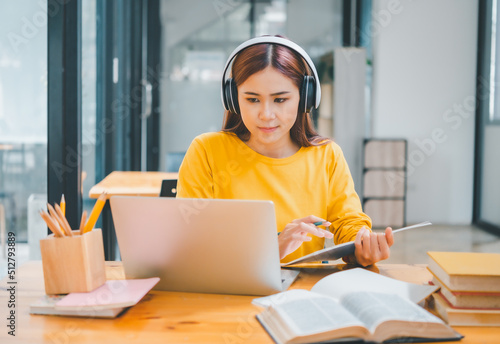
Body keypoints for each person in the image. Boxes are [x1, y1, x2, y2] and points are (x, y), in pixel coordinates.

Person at [177, 36, 393, 266]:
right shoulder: (207, 151)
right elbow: (190, 241)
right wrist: (270, 249)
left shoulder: (327, 155)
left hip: (304, 292)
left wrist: (361, 245)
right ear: (232, 98)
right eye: (252, 99)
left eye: (280, 99)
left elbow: (348, 222)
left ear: (305, 98)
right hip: (230, 292)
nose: (266, 114)